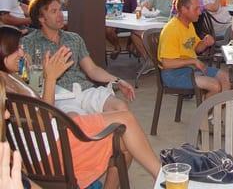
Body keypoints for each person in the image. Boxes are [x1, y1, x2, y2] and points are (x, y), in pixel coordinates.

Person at [0, 26, 160, 188]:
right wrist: (50, 79)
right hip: (53, 154)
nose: (21, 52)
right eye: (16, 49)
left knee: (125, 142)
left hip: (46, 146)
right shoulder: (5, 87)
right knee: (125, 120)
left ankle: (160, 176)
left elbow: (37, 112)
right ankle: (162, 177)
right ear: (3, 53)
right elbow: (43, 123)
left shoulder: (10, 78)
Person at [21, 0, 135, 115]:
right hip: (59, 96)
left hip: (83, 89)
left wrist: (118, 81)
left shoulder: (74, 38)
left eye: (60, 10)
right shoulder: (29, 43)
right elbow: (28, 79)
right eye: (54, 12)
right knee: (77, 120)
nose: (60, 15)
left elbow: (92, 70)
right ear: (41, 18)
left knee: (120, 107)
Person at [158, 0, 230, 98]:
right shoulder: (171, 30)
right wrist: (193, 61)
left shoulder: (189, 24)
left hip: (190, 68)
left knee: (225, 77)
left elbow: (197, 48)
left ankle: (216, 112)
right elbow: (167, 63)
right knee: (215, 86)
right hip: (173, 74)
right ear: (183, 9)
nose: (200, 13)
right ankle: (206, 112)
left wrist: (205, 43)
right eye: (196, 9)